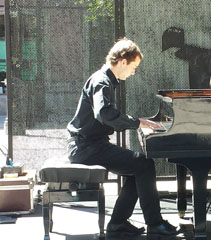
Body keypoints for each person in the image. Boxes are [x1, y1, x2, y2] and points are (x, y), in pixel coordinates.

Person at [66, 38, 179, 238]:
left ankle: (118, 222)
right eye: (133, 66)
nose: (133, 72)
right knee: (143, 165)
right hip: (86, 148)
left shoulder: (105, 79)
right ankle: (155, 223)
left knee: (138, 168)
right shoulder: (102, 81)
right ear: (123, 61)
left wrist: (137, 122)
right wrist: (137, 123)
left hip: (89, 145)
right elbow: (104, 114)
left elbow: (106, 116)